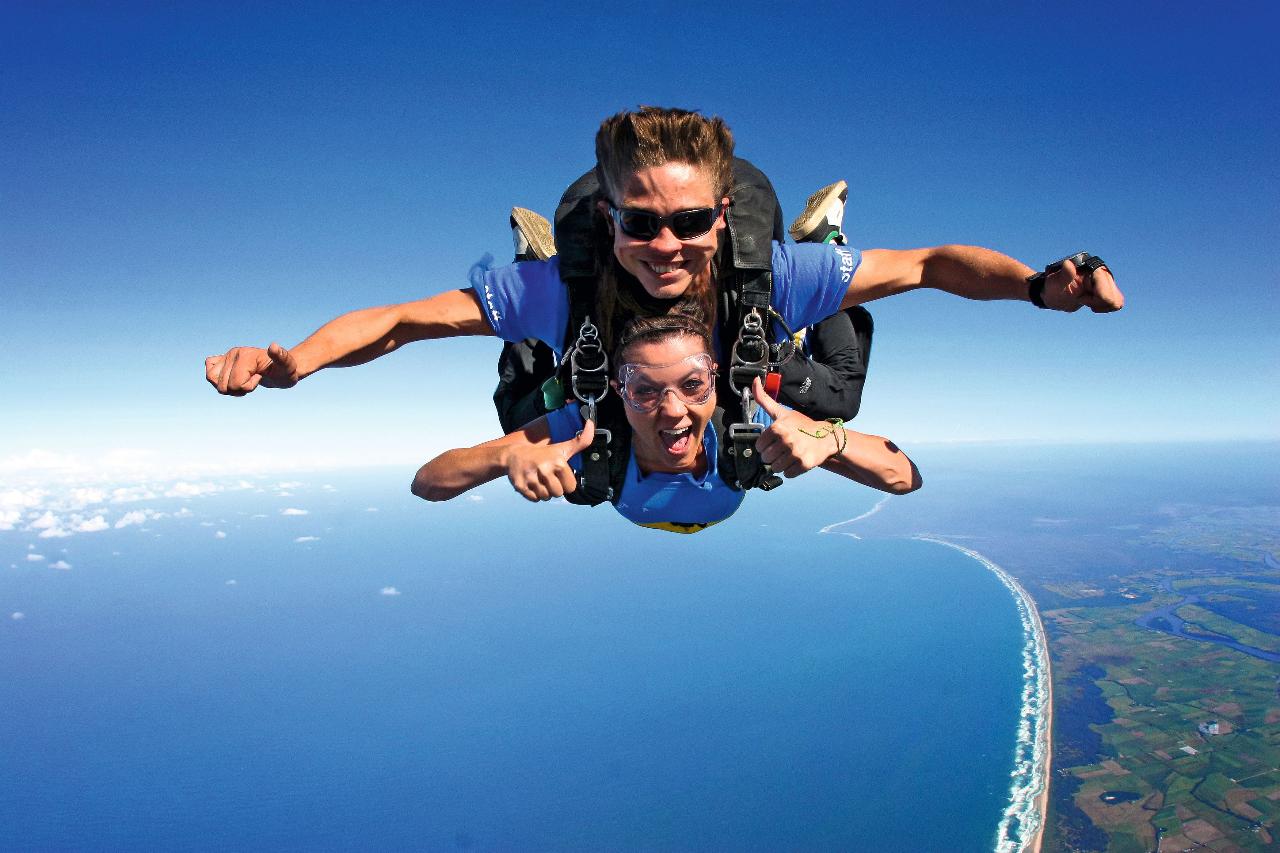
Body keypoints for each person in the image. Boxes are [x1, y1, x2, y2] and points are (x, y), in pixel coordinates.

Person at [205, 106, 1122, 415]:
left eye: (689, 220)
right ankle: (544, 249)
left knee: (832, 393)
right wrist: (299, 363)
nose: (668, 245)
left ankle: (823, 234)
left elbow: (928, 265)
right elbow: (400, 323)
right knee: (547, 394)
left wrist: (1040, 289)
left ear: (724, 217)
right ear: (606, 220)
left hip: (753, 319)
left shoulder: (766, 279)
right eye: (641, 224)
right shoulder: (562, 292)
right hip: (596, 337)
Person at [412, 314, 920, 533]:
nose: (672, 410)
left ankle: (532, 277)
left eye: (693, 387)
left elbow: (906, 477)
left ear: (715, 382)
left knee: (517, 412)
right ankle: (825, 255)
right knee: (840, 394)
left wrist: (828, 436)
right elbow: (427, 483)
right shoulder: (748, 443)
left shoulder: (591, 446)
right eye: (646, 392)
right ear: (620, 391)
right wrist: (829, 435)